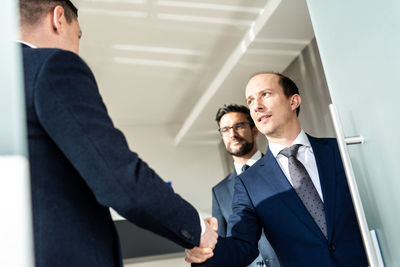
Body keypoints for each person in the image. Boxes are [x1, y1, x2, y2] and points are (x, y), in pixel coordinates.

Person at [18, 0, 217, 266]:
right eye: (76, 37)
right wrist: (198, 230)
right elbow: (122, 183)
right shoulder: (52, 66)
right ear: (58, 19)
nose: (76, 50)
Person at [186, 73, 368, 266]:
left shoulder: (339, 151)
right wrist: (204, 251)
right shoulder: (248, 183)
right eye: (250, 101)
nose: (256, 106)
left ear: (293, 101)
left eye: (265, 94)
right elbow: (240, 246)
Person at [213, 104, 279, 267]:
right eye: (225, 130)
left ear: (255, 130)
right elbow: (223, 246)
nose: (232, 134)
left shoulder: (280, 168)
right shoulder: (219, 191)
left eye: (239, 126)